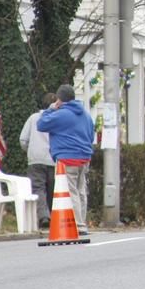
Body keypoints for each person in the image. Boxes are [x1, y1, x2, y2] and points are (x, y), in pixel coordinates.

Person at [37, 84, 94, 236]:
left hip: (67, 158)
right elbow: (91, 136)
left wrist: (50, 109)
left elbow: (41, 124)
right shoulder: (86, 115)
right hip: (84, 158)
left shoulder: (61, 114)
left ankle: (78, 224)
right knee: (81, 190)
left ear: (59, 100)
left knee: (70, 191)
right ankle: (82, 221)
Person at [19, 92, 57, 228]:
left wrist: (30, 150)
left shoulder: (33, 118)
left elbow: (23, 139)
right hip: (53, 159)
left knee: (38, 188)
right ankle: (54, 216)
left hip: (35, 160)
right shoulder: (58, 118)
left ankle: (43, 217)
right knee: (53, 189)